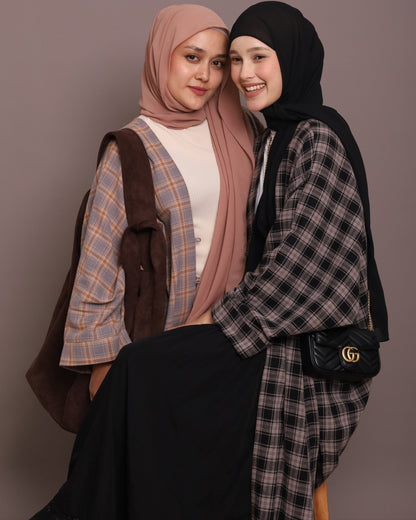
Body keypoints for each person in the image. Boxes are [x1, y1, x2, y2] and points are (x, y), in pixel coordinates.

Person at [29, 4, 266, 520]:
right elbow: (98, 263)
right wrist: (106, 367)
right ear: (161, 56)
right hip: (161, 352)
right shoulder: (132, 148)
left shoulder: (241, 132)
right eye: (191, 57)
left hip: (234, 341)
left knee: (217, 491)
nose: (206, 75)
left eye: (218, 62)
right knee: (148, 492)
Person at [191, 2, 388, 518]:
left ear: (292, 58)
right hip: (273, 337)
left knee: (155, 382)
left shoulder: (317, 138)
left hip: (314, 361)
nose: (243, 74)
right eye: (236, 60)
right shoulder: (275, 137)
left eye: (259, 57)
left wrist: (215, 322)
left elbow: (301, 269)